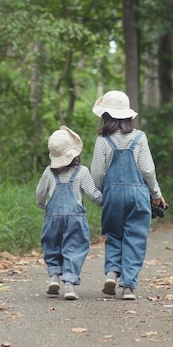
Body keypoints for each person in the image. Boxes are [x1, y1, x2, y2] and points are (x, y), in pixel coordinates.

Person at [90, 90, 167, 300]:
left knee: (114, 234)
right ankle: (128, 287)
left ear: (106, 116)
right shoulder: (139, 137)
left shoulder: (103, 141)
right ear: (127, 115)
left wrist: (102, 195)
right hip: (138, 194)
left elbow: (97, 172)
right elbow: (148, 170)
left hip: (112, 194)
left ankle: (112, 274)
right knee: (135, 238)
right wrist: (156, 194)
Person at [36, 125, 103, 300]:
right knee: (74, 249)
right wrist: (105, 202)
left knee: (52, 246)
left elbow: (40, 192)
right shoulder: (82, 172)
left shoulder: (49, 172)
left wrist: (41, 204)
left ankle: (54, 278)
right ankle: (70, 285)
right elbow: (93, 194)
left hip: (52, 218)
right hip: (75, 219)